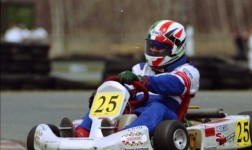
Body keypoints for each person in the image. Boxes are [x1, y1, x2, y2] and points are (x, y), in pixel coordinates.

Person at [60, 20, 200, 137]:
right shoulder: (140, 68)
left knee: (157, 108)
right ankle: (82, 132)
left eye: (159, 47)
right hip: (136, 109)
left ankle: (124, 136)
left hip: (167, 117)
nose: (154, 50)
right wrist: (106, 94)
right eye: (151, 45)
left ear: (176, 48)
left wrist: (145, 81)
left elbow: (175, 84)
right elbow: (127, 90)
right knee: (107, 103)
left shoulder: (188, 71)